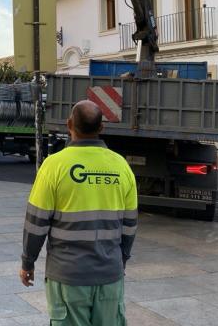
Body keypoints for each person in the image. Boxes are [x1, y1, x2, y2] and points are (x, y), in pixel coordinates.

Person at [19, 100, 137, 326]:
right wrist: (120, 260)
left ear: (69, 125)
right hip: (109, 276)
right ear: (101, 128)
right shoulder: (121, 166)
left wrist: (28, 262)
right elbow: (130, 225)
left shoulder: (54, 166)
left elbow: (36, 223)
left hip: (68, 277)